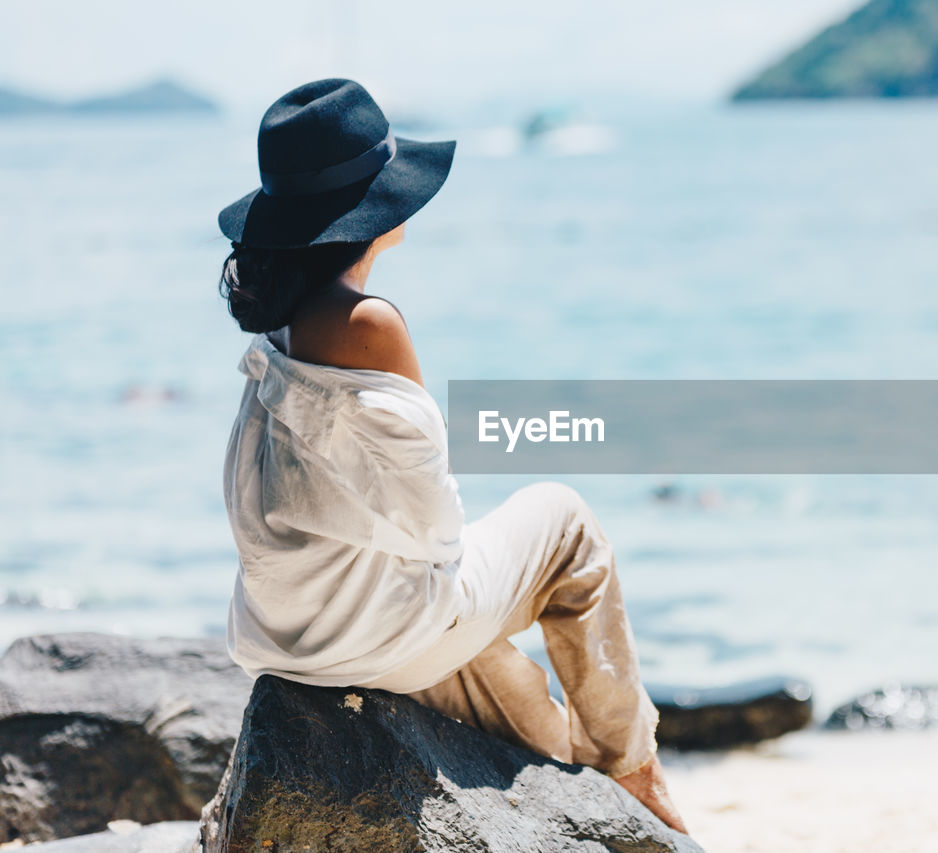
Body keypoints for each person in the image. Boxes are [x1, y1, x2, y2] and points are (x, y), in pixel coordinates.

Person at [215, 78, 686, 833]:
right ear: (374, 210)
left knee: (527, 709)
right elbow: (435, 530)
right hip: (369, 633)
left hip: (288, 635)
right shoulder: (367, 321)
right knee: (566, 523)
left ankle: (603, 801)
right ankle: (635, 770)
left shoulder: (276, 327)